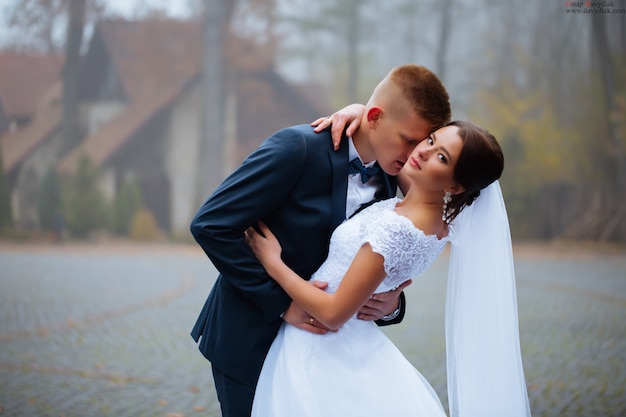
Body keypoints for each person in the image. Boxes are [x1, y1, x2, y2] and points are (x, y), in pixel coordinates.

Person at [189, 64, 451, 417]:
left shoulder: (393, 180)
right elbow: (211, 224)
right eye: (408, 139)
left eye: (422, 143)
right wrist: (282, 303)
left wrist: (392, 304)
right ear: (374, 117)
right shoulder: (296, 148)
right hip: (251, 338)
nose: (413, 153)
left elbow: (376, 260)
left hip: (324, 358)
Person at [245, 121, 532, 417]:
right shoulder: (437, 220)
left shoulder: (399, 228)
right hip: (352, 343)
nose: (423, 151)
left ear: (455, 186)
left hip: (320, 345)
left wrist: (273, 263)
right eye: (431, 140)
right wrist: (363, 112)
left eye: (442, 157)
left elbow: (332, 315)